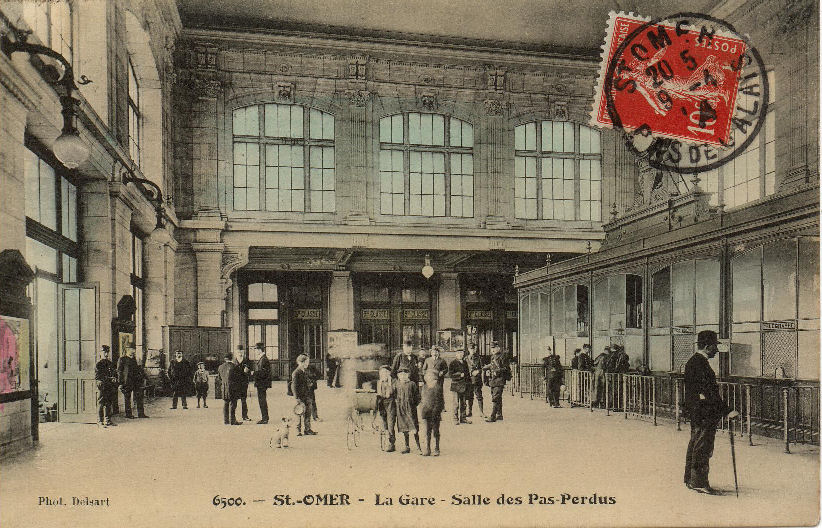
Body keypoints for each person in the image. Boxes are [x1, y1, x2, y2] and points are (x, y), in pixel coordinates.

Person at [684, 330, 738, 494]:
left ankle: (691, 479)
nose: (717, 349)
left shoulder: (695, 361)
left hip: (698, 411)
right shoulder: (700, 364)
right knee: (703, 446)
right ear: (708, 346)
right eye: (715, 346)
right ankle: (699, 482)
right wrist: (728, 410)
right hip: (704, 412)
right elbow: (709, 393)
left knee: (696, 444)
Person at [394, 367, 421, 454]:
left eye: (405, 374)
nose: (403, 376)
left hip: (411, 409)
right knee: (404, 427)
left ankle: (418, 447)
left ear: (408, 375)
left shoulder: (412, 384)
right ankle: (407, 446)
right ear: (398, 375)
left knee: (414, 427)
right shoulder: (397, 384)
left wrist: (413, 405)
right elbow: (395, 395)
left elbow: (417, 396)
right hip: (401, 409)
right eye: (401, 374)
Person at [291, 354, 317, 436]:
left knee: (308, 413)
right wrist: (296, 398)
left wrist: (310, 384)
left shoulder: (305, 371)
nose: (308, 364)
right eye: (306, 362)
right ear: (301, 362)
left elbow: (308, 381)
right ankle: (298, 431)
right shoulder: (296, 372)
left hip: (308, 395)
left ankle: (307, 429)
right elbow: (294, 386)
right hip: (300, 397)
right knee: (299, 413)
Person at [483, 342, 509, 422]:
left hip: (499, 380)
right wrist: (488, 371)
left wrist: (496, 371)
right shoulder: (492, 357)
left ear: (498, 348)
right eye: (491, 348)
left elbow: (506, 369)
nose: (493, 350)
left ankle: (493, 416)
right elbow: (492, 366)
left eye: (494, 348)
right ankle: (499, 414)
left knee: (495, 397)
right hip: (493, 380)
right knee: (497, 398)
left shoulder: (503, 356)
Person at [419, 370, 443, 456]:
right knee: (427, 431)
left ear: (434, 378)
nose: (427, 378)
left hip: (435, 413)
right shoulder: (424, 387)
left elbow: (440, 402)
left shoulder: (437, 387)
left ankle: (437, 448)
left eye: (430, 376)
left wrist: (435, 412)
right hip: (426, 412)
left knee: (435, 431)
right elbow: (422, 399)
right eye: (426, 376)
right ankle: (428, 448)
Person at [117, 346, 143, 419]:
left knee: (139, 397)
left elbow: (138, 370)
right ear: (128, 350)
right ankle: (128, 414)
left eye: (134, 349)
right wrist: (120, 383)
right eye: (132, 349)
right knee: (127, 398)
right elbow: (119, 372)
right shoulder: (122, 359)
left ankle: (141, 414)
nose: (134, 351)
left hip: (136, 381)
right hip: (127, 382)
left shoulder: (134, 359)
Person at [95, 345, 117, 427]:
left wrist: (114, 378)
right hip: (102, 385)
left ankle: (108, 420)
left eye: (107, 352)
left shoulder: (110, 363)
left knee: (108, 403)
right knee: (101, 403)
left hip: (109, 385)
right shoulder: (99, 364)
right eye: (104, 352)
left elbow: (113, 372)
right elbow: (98, 376)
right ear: (100, 353)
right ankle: (100, 421)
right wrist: (109, 378)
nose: (106, 354)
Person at [376, 365, 397, 452]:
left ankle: (391, 443)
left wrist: (389, 385)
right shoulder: (379, 382)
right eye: (381, 372)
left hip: (391, 403)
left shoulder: (393, 381)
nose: (383, 374)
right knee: (384, 424)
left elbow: (395, 391)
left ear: (389, 373)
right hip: (382, 403)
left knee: (390, 424)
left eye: (385, 372)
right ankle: (387, 442)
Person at [448, 348, 471, 424]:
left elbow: (467, 374)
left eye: (462, 353)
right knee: (456, 404)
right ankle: (455, 419)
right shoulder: (453, 363)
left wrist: (469, 384)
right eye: (459, 353)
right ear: (456, 354)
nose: (460, 354)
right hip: (456, 386)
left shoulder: (465, 362)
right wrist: (459, 375)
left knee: (463, 403)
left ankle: (463, 418)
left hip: (464, 386)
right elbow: (450, 374)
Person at [217, 353, 242, 425]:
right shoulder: (235, 367)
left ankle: (226, 420)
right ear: (232, 358)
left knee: (225, 403)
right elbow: (239, 378)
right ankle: (233, 421)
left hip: (224, 388)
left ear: (225, 359)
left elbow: (219, 378)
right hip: (233, 388)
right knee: (233, 404)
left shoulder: (220, 367)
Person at [253, 342, 271, 424]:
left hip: (262, 383)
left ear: (260, 350)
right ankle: (265, 417)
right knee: (262, 400)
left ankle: (265, 418)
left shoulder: (264, 359)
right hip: (261, 383)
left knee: (262, 400)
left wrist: (253, 373)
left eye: (256, 349)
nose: (255, 351)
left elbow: (264, 373)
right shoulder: (262, 358)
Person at [465, 345, 484, 418]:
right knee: (469, 396)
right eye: (471, 349)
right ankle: (469, 412)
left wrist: (478, 371)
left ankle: (481, 412)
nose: (472, 350)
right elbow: (464, 369)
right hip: (469, 380)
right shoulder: (466, 359)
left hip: (477, 380)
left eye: (474, 349)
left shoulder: (479, 358)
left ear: (475, 349)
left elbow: (482, 368)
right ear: (468, 349)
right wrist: (470, 373)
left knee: (479, 396)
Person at [236, 346, 253, 421]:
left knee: (243, 399)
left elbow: (251, 370)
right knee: (234, 400)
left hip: (244, 382)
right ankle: (233, 417)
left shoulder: (246, 360)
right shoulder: (233, 360)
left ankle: (245, 416)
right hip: (235, 383)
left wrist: (248, 371)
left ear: (243, 352)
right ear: (236, 352)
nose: (240, 353)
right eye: (239, 352)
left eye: (242, 352)